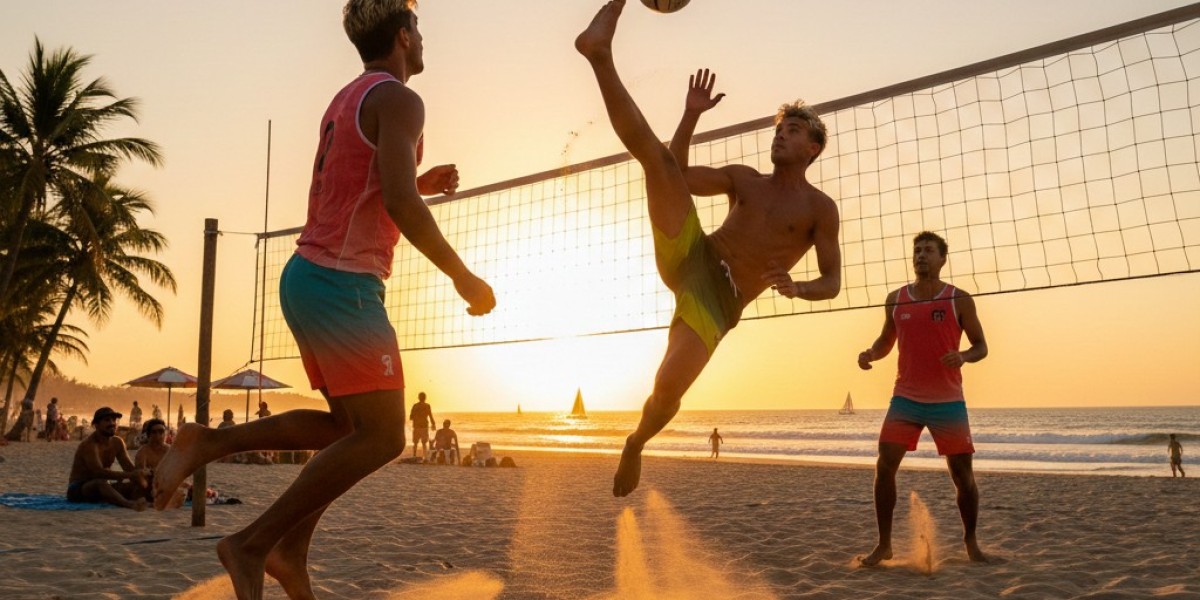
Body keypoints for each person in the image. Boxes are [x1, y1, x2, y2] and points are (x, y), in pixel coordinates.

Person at [149, 2, 495, 598]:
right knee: (384, 436)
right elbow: (397, 202)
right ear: (404, 36)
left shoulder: (347, 97)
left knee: (346, 427)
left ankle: (275, 531)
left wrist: (419, 179)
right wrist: (463, 276)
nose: (423, 38)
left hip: (310, 275)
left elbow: (368, 185)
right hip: (343, 285)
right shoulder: (401, 100)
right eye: (420, 28)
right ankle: (254, 541)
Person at [576, 0, 841, 497]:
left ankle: (635, 442)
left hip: (719, 302)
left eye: (794, 130)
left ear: (813, 148)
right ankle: (598, 54)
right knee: (656, 160)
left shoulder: (820, 210)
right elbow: (676, 169)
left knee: (666, 390)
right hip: (693, 255)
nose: (781, 136)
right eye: (779, 129)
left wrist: (796, 287)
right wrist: (690, 116)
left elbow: (833, 283)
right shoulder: (744, 179)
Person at [856, 231, 989, 566]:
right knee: (884, 465)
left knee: (963, 475)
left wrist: (964, 357)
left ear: (943, 258)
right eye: (917, 250)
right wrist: (870, 354)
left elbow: (981, 346)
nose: (921, 255)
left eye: (929, 250)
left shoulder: (959, 298)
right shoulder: (896, 298)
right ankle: (884, 544)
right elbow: (886, 341)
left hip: (947, 401)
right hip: (906, 398)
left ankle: (971, 543)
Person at [66, 407, 149, 510]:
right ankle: (129, 504)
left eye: (114, 420)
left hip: (104, 486)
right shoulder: (89, 445)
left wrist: (142, 479)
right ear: (96, 425)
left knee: (136, 485)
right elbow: (99, 473)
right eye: (107, 420)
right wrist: (129, 475)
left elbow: (129, 468)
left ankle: (149, 501)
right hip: (79, 488)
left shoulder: (117, 442)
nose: (112, 423)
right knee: (100, 483)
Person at [133, 418, 186, 507]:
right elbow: (141, 475)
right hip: (149, 485)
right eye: (154, 432)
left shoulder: (170, 450)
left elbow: (177, 472)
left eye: (161, 432)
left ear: (165, 433)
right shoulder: (143, 452)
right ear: (149, 434)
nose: (158, 435)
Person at [409, 391, 436, 458]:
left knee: (415, 443)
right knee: (424, 442)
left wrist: (416, 416)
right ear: (425, 398)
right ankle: (424, 456)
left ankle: (414, 455)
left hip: (416, 426)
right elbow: (430, 415)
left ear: (418, 398)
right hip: (424, 426)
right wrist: (433, 423)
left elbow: (411, 417)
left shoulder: (415, 406)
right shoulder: (427, 406)